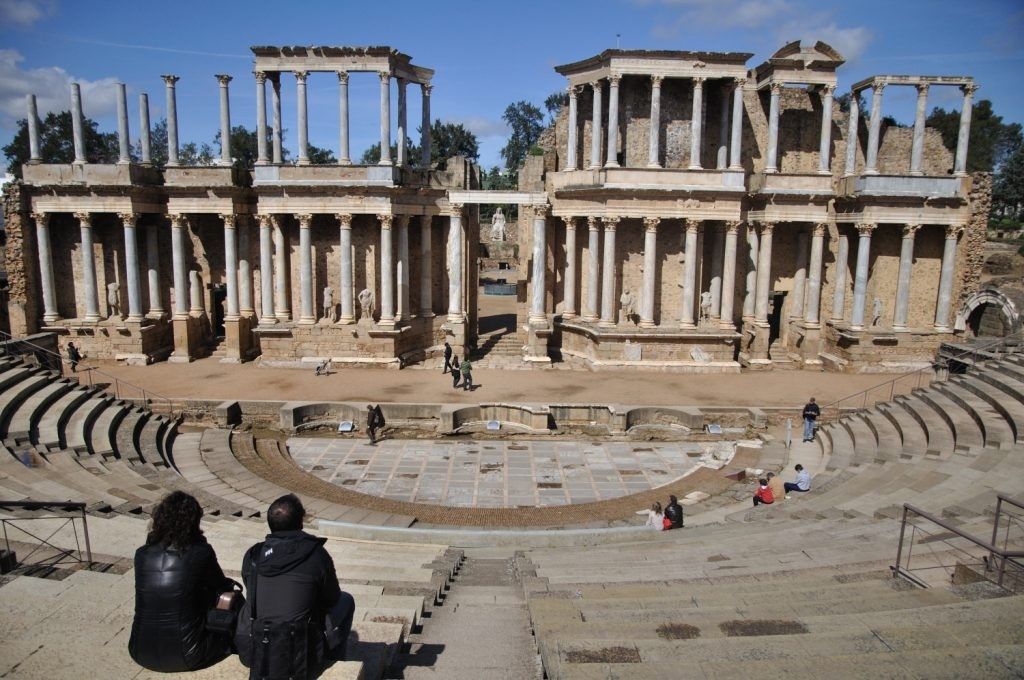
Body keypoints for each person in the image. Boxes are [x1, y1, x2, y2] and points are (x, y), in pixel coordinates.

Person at [235, 494, 354, 680]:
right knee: (346, 601)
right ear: (300, 522)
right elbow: (332, 598)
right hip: (300, 655)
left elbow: (251, 588)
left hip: (254, 650)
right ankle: (330, 662)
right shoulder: (316, 555)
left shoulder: (253, 556)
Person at [129, 491, 235, 672]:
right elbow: (220, 586)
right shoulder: (200, 552)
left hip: (139, 650)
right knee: (232, 601)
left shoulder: (142, 554)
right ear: (194, 522)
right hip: (189, 654)